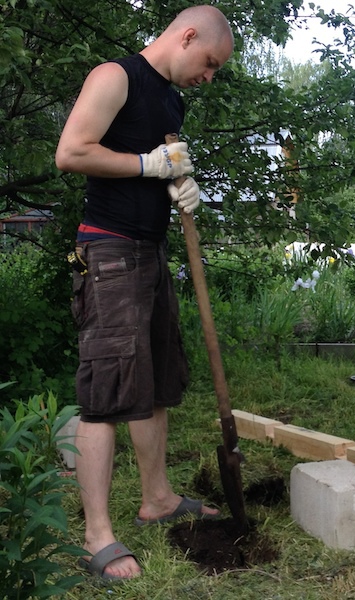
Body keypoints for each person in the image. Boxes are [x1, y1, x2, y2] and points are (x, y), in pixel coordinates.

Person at [55, 6, 234, 581]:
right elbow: (72, 152)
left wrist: (178, 183)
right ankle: (96, 535)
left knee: (156, 379)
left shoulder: (170, 100)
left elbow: (158, 168)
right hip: (108, 254)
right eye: (208, 62)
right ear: (186, 37)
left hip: (150, 252)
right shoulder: (117, 77)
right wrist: (146, 164)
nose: (209, 77)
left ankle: (157, 497)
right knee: (105, 393)